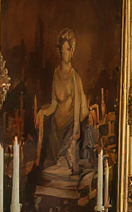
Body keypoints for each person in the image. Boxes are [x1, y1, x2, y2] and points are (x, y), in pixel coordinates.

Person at [34, 28, 91, 199]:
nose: (63, 53)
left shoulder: (76, 78)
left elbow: (80, 111)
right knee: (50, 170)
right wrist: (41, 112)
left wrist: (75, 133)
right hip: (56, 130)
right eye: (61, 49)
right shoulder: (55, 74)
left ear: (72, 51)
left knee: (65, 169)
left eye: (66, 49)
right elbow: (53, 104)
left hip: (69, 132)